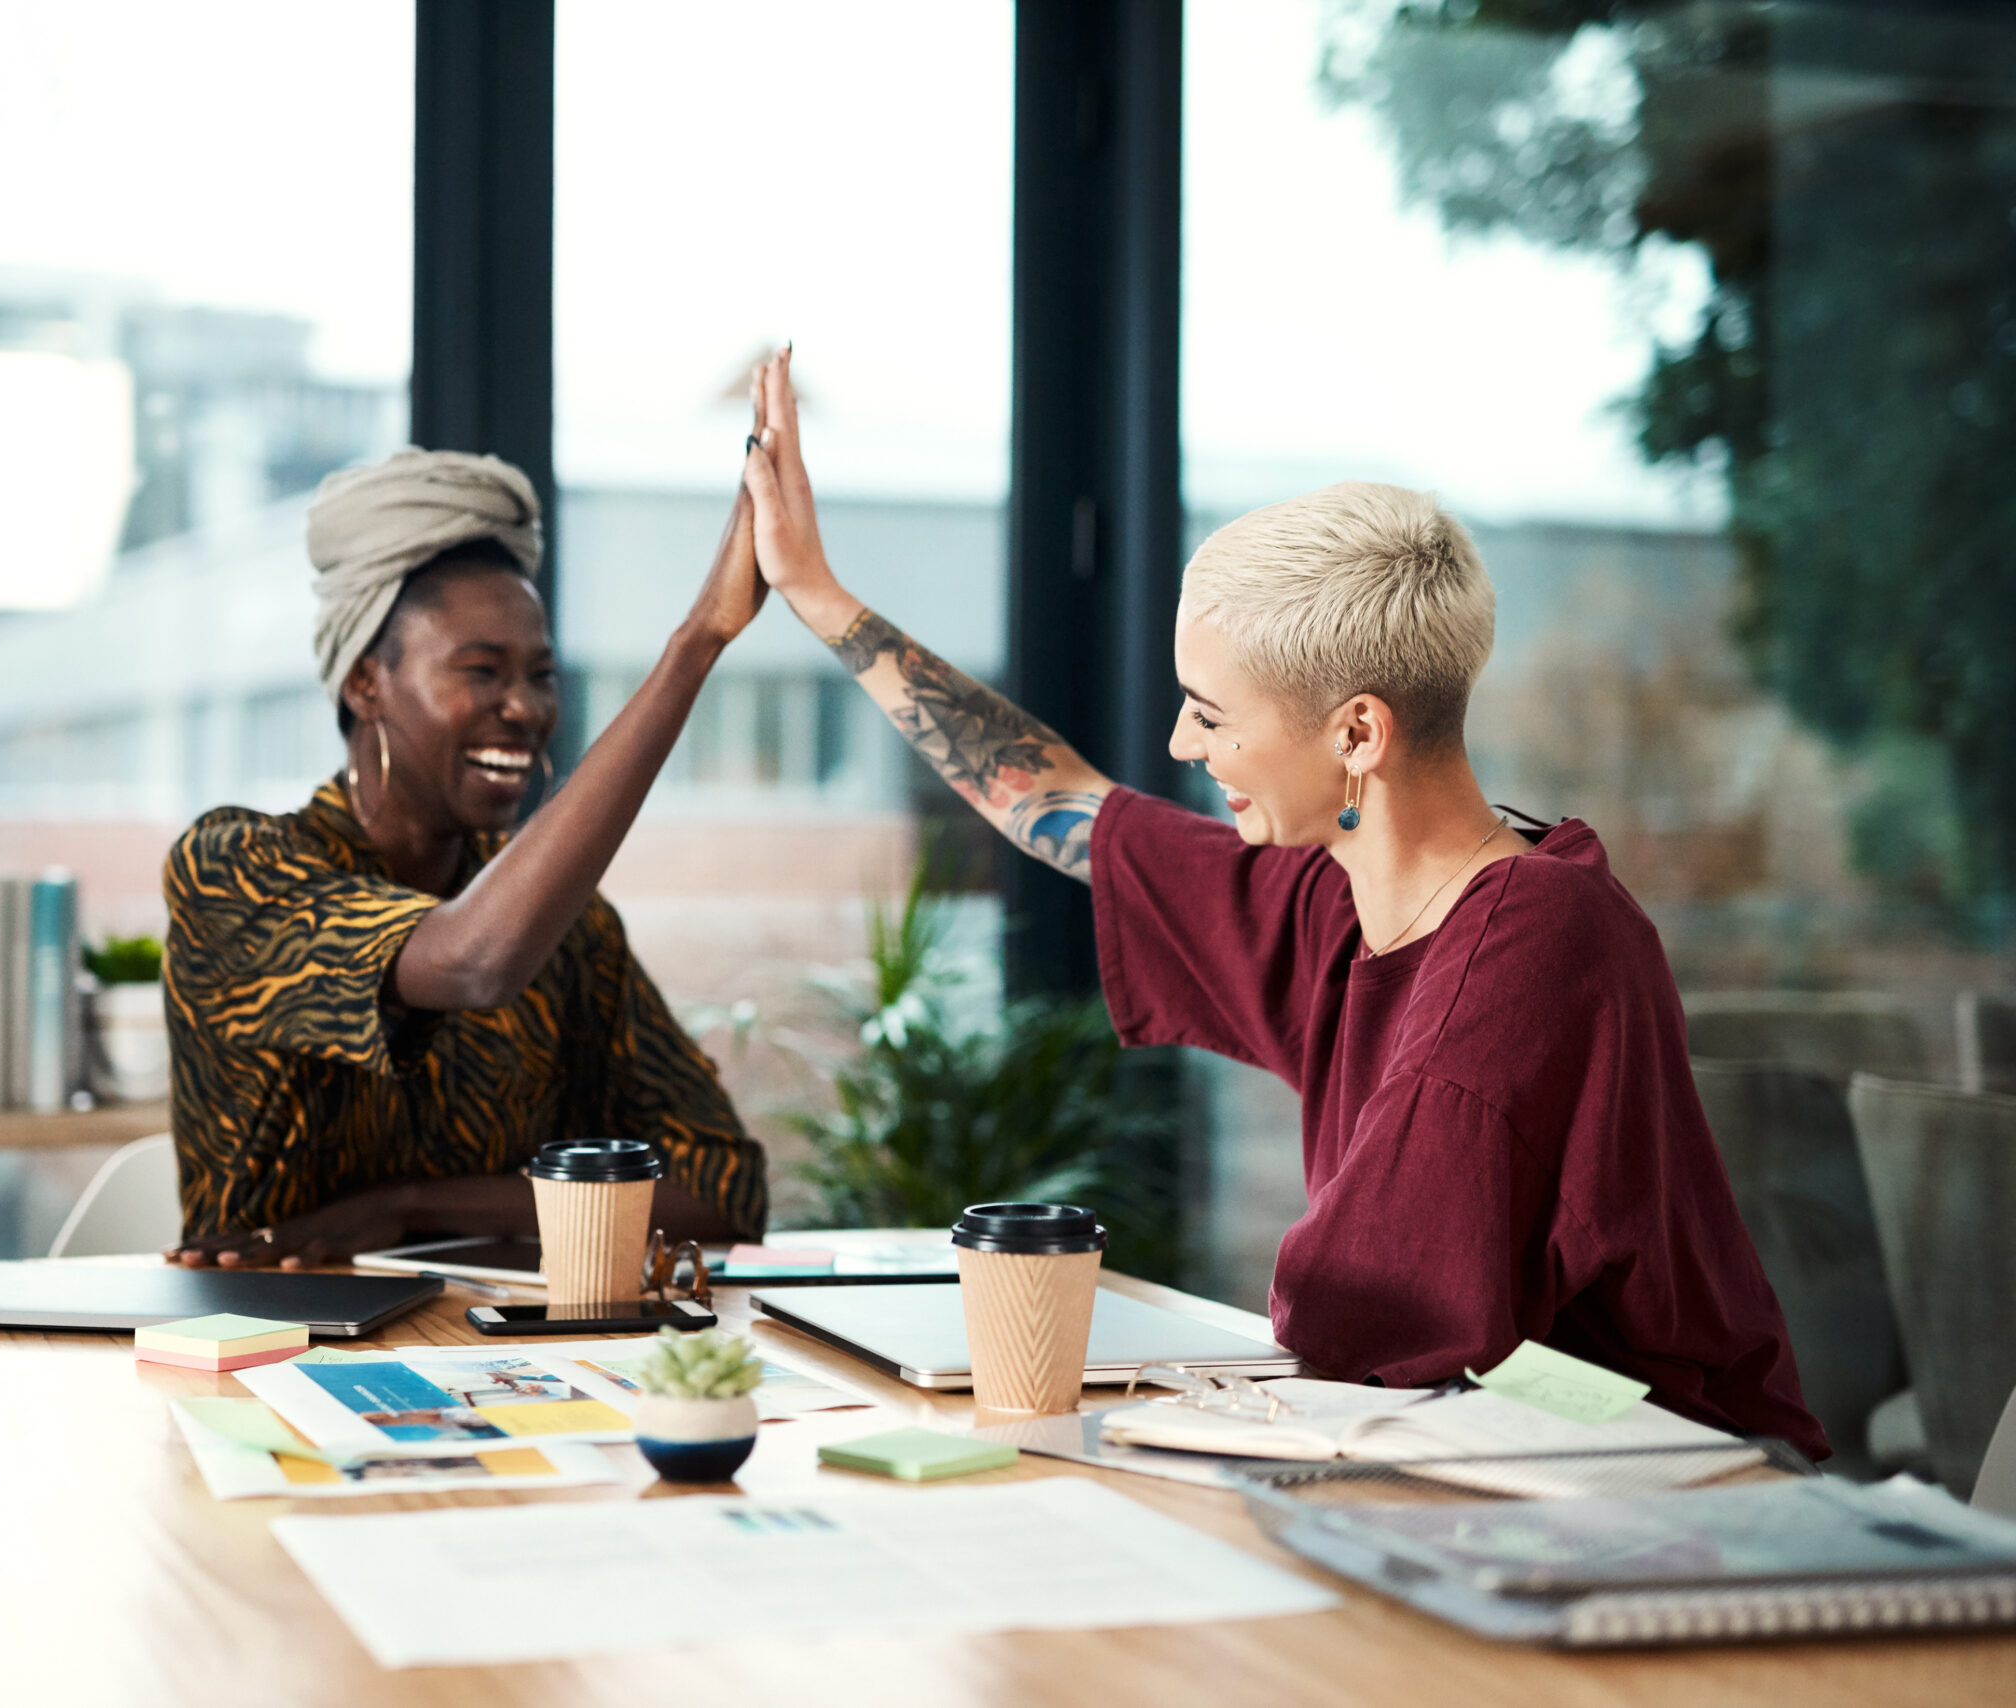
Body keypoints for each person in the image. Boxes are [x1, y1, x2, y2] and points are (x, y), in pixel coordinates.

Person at [738, 352, 1827, 1455]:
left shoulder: (1531, 947)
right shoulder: (1343, 893)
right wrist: (818, 595)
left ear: (1356, 733)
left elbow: (1361, 1312)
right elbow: (1062, 803)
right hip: (1486, 1435)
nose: (1179, 743)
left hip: (1673, 1463)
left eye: (1211, 714)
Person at [164, 444, 769, 1269]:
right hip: (258, 1353)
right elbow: (473, 961)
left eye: (541, 674)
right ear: (365, 684)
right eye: (480, 671)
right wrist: (694, 643)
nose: (524, 707)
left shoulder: (569, 928)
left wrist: (411, 1209)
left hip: (517, 1363)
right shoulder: (231, 871)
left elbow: (722, 1193)